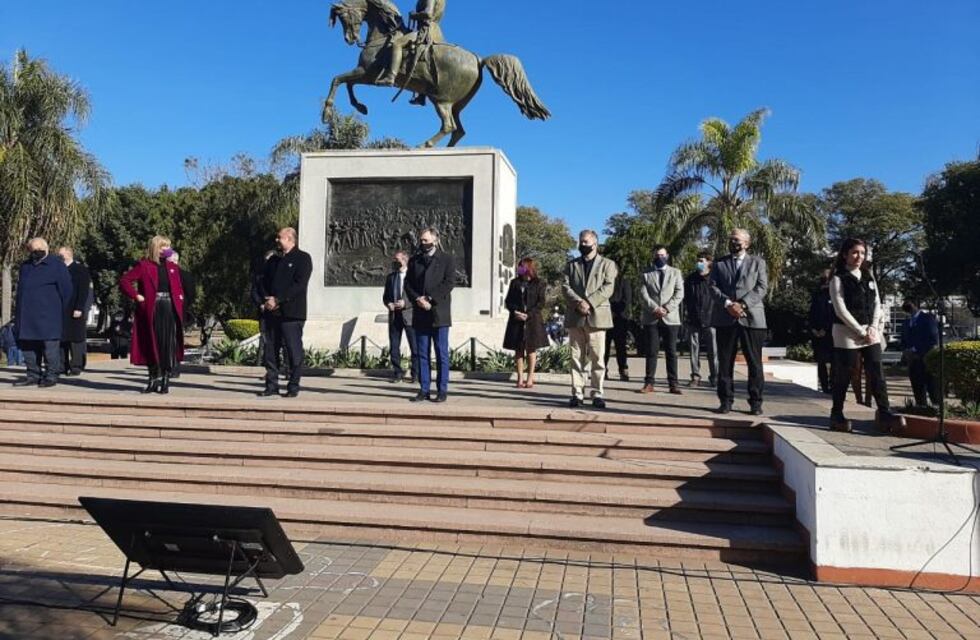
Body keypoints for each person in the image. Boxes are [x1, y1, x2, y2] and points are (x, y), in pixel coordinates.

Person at [828, 238, 906, 433]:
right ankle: (837, 414)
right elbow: (840, 310)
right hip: (847, 333)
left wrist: (873, 328)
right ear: (845, 254)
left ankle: (885, 412)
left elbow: (877, 303)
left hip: (870, 333)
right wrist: (860, 331)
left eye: (862, 253)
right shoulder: (838, 278)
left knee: (877, 372)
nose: (859, 257)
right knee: (844, 374)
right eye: (855, 252)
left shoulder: (869, 277)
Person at [710, 229, 768, 415]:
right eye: (731, 239)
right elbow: (712, 287)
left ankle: (756, 402)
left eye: (737, 240)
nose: (733, 242)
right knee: (725, 362)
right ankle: (726, 401)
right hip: (725, 317)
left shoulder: (758, 262)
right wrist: (728, 303)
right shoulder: (719, 263)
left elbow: (762, 287)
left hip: (752, 318)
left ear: (747, 243)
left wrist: (742, 304)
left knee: (754, 362)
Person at [120, 236, 186, 394]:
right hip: (152, 308)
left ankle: (165, 379)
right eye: (164, 247)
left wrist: (181, 301)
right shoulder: (144, 265)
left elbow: (178, 288)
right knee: (152, 343)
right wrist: (136, 296)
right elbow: (124, 281)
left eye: (169, 246)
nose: (167, 249)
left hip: (169, 308)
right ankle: (153, 378)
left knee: (167, 344)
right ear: (156, 248)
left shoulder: (173, 267)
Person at [563, 229, 618, 409]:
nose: (582, 245)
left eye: (586, 242)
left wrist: (590, 302)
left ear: (595, 243)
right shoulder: (571, 265)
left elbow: (609, 287)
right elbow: (565, 286)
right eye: (580, 241)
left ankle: (597, 393)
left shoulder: (607, 264)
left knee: (597, 358)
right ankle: (577, 393)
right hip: (575, 316)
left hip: (597, 316)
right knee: (576, 357)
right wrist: (579, 302)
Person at [258, 228, 313, 398]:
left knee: (293, 352)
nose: (277, 240)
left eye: (280, 237)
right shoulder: (273, 260)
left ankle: (293, 386)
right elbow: (262, 280)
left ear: (290, 239)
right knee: (270, 352)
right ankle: (272, 385)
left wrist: (279, 299)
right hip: (272, 313)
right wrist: (266, 300)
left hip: (292, 314)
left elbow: (299, 285)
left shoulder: (303, 258)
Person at [13, 238, 73, 387]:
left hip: (49, 316)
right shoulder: (25, 266)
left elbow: (67, 291)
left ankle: (51, 376)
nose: (36, 252)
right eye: (33, 250)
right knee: (29, 349)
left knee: (50, 350)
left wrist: (59, 311)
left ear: (46, 248)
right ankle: (32, 375)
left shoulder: (57, 265)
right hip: (27, 316)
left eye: (39, 249)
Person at [405, 227, 455, 402]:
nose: (422, 243)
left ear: (435, 239)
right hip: (420, 313)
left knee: (441, 354)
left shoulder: (446, 259)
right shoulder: (414, 260)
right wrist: (417, 298)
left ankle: (442, 390)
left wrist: (430, 298)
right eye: (421, 240)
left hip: (439, 314)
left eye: (426, 240)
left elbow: (449, 283)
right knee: (422, 354)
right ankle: (424, 389)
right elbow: (408, 283)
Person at [639, 245, 684, 395]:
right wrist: (655, 308)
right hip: (651, 317)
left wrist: (666, 308)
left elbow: (679, 293)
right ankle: (649, 383)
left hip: (670, 318)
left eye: (663, 255)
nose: (660, 258)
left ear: (668, 256)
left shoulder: (676, 273)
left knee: (671, 351)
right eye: (657, 255)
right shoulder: (646, 273)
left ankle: (673, 383)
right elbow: (643, 293)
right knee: (651, 351)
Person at [504, 257, 549, 389]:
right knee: (518, 350)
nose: (520, 269)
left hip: (532, 321)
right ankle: (519, 378)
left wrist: (528, 314)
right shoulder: (515, 283)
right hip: (516, 321)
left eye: (522, 266)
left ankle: (530, 378)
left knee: (531, 349)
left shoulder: (539, 283)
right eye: (519, 266)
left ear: (529, 268)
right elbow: (508, 301)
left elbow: (541, 303)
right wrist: (515, 312)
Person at [56, 246, 93, 377]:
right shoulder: (58, 269)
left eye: (61, 253)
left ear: (69, 254)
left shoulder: (80, 270)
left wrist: (80, 307)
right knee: (61, 339)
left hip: (75, 309)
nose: (59, 255)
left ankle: (76, 366)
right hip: (60, 309)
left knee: (76, 339)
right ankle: (61, 365)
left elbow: (83, 291)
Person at [383, 250, 418, 383]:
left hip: (409, 316)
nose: (395, 262)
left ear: (404, 260)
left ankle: (415, 374)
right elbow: (385, 296)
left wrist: (406, 303)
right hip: (394, 316)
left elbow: (417, 296)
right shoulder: (391, 277)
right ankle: (398, 373)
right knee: (394, 346)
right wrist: (389, 304)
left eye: (397, 260)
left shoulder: (414, 276)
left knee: (414, 347)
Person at [684, 251, 717, 389]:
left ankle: (715, 377)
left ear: (709, 262)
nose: (699, 263)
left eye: (702, 260)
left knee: (713, 350)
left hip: (712, 320)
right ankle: (695, 376)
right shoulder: (691, 278)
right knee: (693, 350)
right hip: (693, 319)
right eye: (698, 260)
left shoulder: (715, 278)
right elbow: (686, 299)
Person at [900, 299, 941, 408]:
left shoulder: (927, 318)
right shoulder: (906, 322)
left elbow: (933, 339)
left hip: (925, 357)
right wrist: (906, 351)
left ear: (916, 305)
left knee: (931, 384)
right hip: (913, 360)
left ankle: (936, 406)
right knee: (917, 385)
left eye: (909, 302)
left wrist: (916, 349)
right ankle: (920, 406)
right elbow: (903, 340)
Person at [808, 269, 835, 394]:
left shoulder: (834, 294)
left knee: (834, 362)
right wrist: (813, 329)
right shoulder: (817, 294)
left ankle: (833, 385)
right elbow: (812, 313)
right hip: (817, 334)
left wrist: (826, 329)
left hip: (830, 334)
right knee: (821, 362)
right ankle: (824, 386)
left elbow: (833, 314)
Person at [604, 274, 632, 381]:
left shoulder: (624, 281)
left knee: (620, 347)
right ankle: (603, 370)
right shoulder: (603, 281)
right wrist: (608, 312)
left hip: (620, 319)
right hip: (605, 318)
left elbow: (627, 300)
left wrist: (615, 312)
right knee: (604, 347)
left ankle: (623, 369)